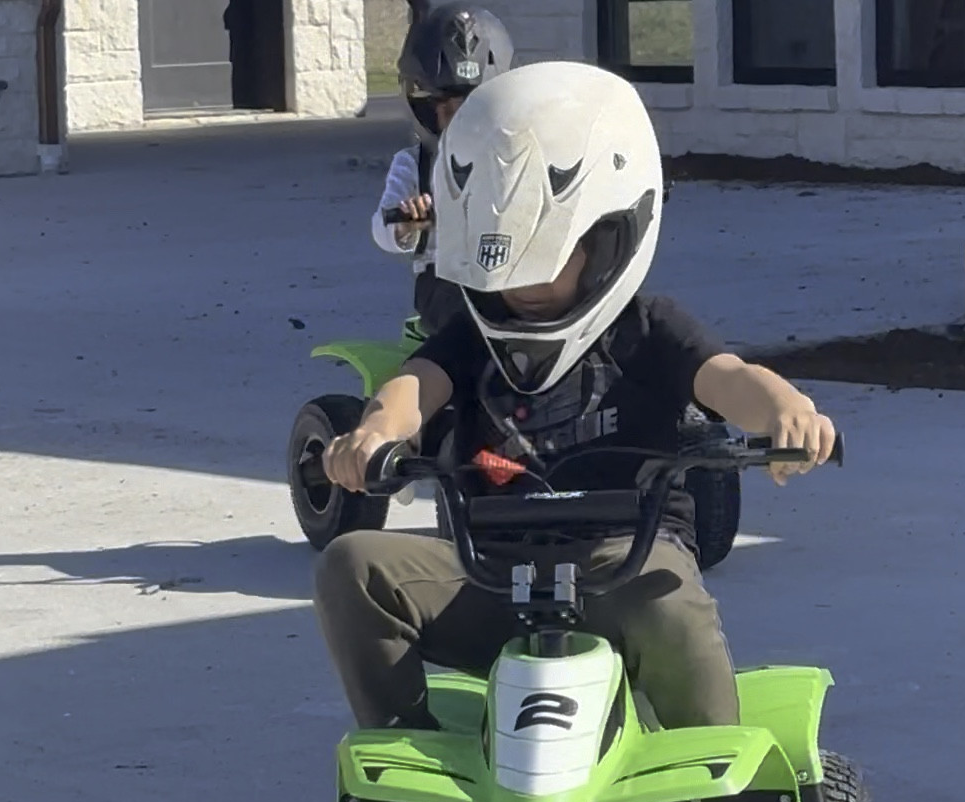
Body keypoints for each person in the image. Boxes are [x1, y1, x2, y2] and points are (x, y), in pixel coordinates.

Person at [324, 61, 836, 732]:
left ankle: (710, 786)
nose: (523, 277)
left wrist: (784, 411)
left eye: (550, 249)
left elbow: (727, 378)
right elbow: (414, 384)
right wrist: (376, 430)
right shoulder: (470, 334)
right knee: (352, 565)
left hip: (623, 565)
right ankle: (413, 763)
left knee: (671, 605)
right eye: (509, 255)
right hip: (490, 575)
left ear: (603, 238)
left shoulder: (649, 328)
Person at [372, 1, 514, 334]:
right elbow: (381, 226)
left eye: (470, 108)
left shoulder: (513, 157)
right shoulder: (413, 164)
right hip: (444, 278)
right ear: (425, 107)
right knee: (467, 308)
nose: (458, 119)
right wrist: (404, 228)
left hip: (508, 271)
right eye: (446, 108)